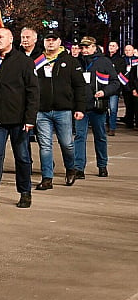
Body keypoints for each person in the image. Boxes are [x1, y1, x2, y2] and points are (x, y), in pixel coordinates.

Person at [0, 27, 39, 211]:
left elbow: (33, 92)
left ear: (11, 39)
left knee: (23, 157)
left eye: (1, 37)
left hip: (19, 120)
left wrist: (30, 118)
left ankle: (25, 192)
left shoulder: (24, 62)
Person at [32, 30, 86, 190]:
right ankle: (47, 177)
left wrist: (80, 108)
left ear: (59, 41)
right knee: (45, 145)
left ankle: (71, 169)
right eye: (47, 40)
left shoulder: (70, 61)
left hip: (63, 110)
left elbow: (79, 86)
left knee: (67, 144)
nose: (50, 43)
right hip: (42, 110)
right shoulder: (37, 61)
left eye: (53, 40)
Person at [73, 36, 119, 179]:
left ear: (94, 47)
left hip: (97, 106)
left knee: (100, 137)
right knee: (79, 137)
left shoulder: (104, 62)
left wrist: (104, 92)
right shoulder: (76, 62)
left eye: (87, 47)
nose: (84, 50)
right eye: (82, 48)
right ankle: (79, 168)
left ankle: (102, 165)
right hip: (80, 106)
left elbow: (115, 82)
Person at [106, 41, 126, 135]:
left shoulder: (120, 60)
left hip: (114, 88)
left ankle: (112, 128)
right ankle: (106, 126)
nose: (111, 47)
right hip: (105, 87)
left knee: (113, 109)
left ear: (117, 48)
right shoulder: (104, 58)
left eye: (113, 46)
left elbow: (121, 73)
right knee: (104, 108)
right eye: (110, 45)